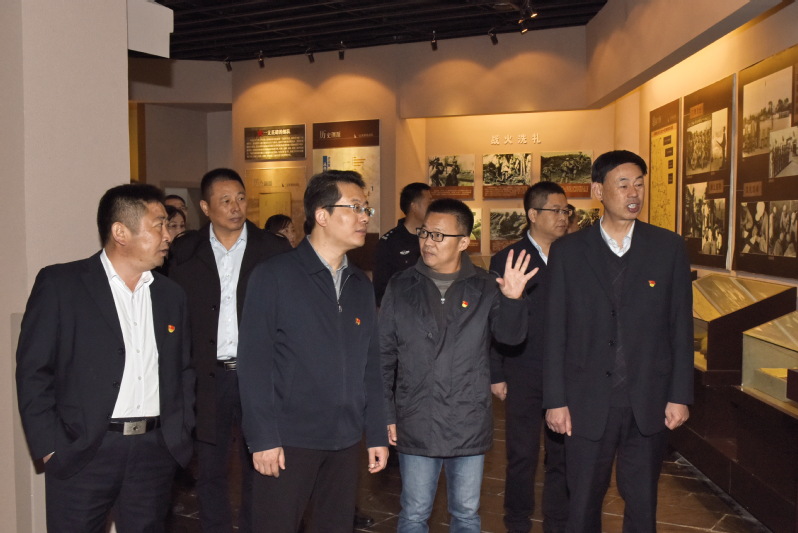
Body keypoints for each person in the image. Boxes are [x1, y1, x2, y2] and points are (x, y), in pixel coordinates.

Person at [16, 183, 195, 532]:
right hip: (84, 452)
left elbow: (183, 371)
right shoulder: (62, 284)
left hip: (153, 452)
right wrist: (50, 446)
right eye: (158, 224)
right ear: (120, 232)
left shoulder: (172, 295)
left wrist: (179, 434)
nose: (168, 235)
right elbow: (34, 372)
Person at [544, 150, 693, 532]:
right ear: (598, 190)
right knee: (582, 505)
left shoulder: (668, 247)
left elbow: (679, 326)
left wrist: (680, 395)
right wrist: (555, 400)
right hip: (585, 401)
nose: (634, 193)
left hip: (648, 400)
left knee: (643, 505)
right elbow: (555, 331)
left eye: (639, 184)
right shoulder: (568, 252)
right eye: (623, 184)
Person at [238, 170, 389, 533]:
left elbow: (371, 365)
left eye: (366, 208)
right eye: (355, 207)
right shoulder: (274, 275)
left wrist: (376, 433)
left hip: (346, 440)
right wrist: (263, 438)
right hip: (288, 439)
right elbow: (254, 363)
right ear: (322, 215)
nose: (364, 217)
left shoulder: (359, 284)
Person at [381, 198, 537, 532]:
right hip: (416, 416)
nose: (428, 242)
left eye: (439, 235)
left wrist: (513, 300)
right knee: (414, 513)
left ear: (464, 242)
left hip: (467, 418)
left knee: (466, 514)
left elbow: (510, 338)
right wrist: (386, 414)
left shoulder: (485, 285)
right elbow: (383, 355)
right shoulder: (401, 285)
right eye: (425, 233)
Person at [168, 168, 290, 533]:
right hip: (207, 376)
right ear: (206, 207)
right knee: (210, 467)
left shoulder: (272, 250)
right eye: (225, 201)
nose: (235, 207)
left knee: (261, 463)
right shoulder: (184, 252)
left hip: (258, 375)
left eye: (240, 198)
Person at [490, 182, 571, 533]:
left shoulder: (575, 255)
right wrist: (496, 373)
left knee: (562, 453)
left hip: (566, 373)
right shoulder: (508, 258)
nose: (563, 217)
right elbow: (494, 322)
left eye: (567, 211)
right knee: (522, 454)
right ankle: (517, 519)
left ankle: (558, 520)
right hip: (523, 368)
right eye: (556, 210)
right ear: (533, 214)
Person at [372, 182, 432, 306]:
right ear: (414, 207)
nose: (432, 208)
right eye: (429, 203)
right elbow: (380, 291)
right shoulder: (389, 243)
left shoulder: (433, 238)